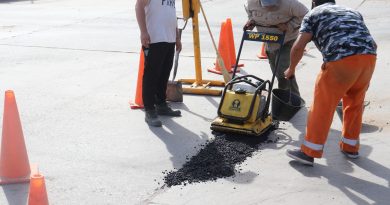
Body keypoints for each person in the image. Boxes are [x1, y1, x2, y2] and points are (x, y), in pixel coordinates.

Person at [285, 0, 377, 165]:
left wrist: (291, 70)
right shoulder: (352, 12)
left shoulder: (313, 14)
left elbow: (298, 46)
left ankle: (309, 152)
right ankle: (351, 148)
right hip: (369, 58)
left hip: (341, 59)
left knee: (323, 105)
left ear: (314, 2)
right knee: (355, 103)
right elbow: (369, 40)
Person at [244, 0, 308, 96]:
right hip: (269, 41)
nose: (269, 7)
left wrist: (290, 26)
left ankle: (292, 99)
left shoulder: (291, 4)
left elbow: (307, 15)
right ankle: (286, 95)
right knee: (276, 72)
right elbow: (249, 12)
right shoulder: (250, 3)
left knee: (283, 69)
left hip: (287, 40)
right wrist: (252, 21)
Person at [135, 0, 182, 127]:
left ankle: (161, 104)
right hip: (154, 38)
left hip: (169, 38)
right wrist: (143, 32)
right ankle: (149, 110)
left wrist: (177, 37)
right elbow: (139, 6)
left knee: (164, 73)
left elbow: (172, 15)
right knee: (151, 75)